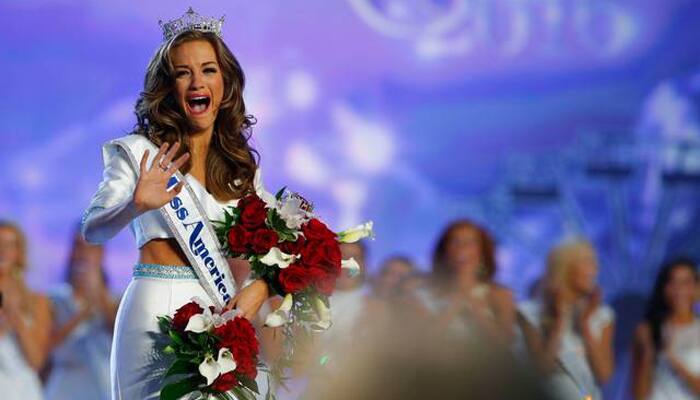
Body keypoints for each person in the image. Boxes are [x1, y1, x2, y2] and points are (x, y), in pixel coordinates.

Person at [81, 8, 272, 399]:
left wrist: (263, 288)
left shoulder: (241, 171)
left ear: (225, 84)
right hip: (154, 311)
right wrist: (135, 206)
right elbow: (93, 228)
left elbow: (281, 250)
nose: (196, 81)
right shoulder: (139, 154)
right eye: (183, 72)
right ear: (168, 87)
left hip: (221, 312)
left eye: (208, 70)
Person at [518, 239, 614, 400]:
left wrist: (585, 325)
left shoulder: (603, 316)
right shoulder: (530, 313)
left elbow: (604, 375)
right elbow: (541, 370)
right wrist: (559, 322)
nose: (595, 270)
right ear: (566, 267)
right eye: (587, 262)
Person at [45, 228, 118, 400]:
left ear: (101, 254)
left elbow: (118, 338)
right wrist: (83, 313)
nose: (83, 254)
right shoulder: (55, 298)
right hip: (64, 387)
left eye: (90, 248)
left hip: (102, 386)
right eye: (78, 246)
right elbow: (48, 347)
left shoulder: (115, 300)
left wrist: (99, 295)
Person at [418, 219, 515, 341]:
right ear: (444, 252)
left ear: (483, 252)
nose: (462, 247)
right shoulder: (424, 295)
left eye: (471, 242)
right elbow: (422, 344)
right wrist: (456, 301)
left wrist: (474, 304)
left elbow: (504, 344)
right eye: (455, 241)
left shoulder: (501, 294)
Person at [631, 258, 700, 399]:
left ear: (696, 287)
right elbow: (639, 395)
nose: (679, 290)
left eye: (686, 282)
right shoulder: (647, 330)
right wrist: (648, 354)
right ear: (664, 288)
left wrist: (673, 360)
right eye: (673, 282)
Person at [0, 220, 51, 399]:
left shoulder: (36, 300)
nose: (2, 251)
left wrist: (16, 316)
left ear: (18, 252)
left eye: (9, 245)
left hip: (23, 390)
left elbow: (36, 361)